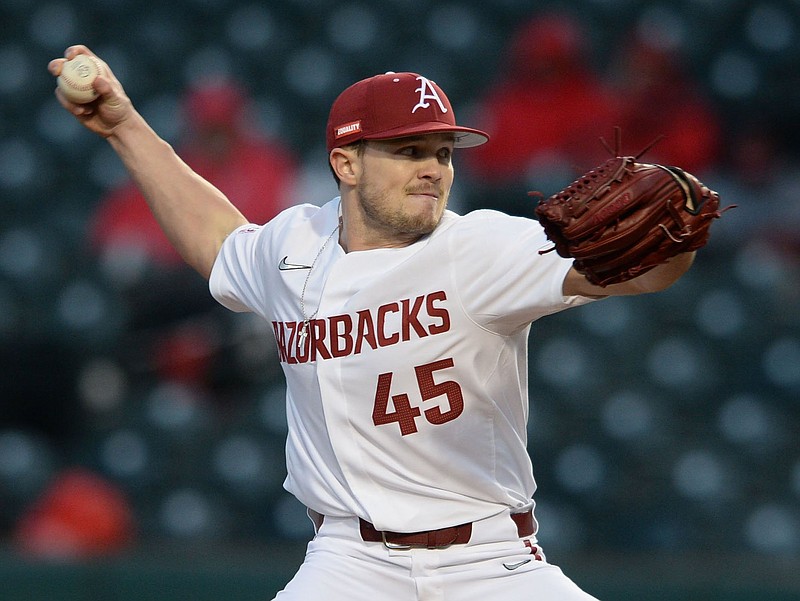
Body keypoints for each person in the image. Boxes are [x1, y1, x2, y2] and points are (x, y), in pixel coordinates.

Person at [50, 45, 697, 600]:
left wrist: (678, 239)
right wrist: (124, 128)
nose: (434, 168)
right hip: (349, 562)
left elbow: (637, 273)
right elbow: (219, 242)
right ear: (347, 163)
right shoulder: (294, 246)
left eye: (444, 152)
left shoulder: (481, 248)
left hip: (490, 560)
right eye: (409, 150)